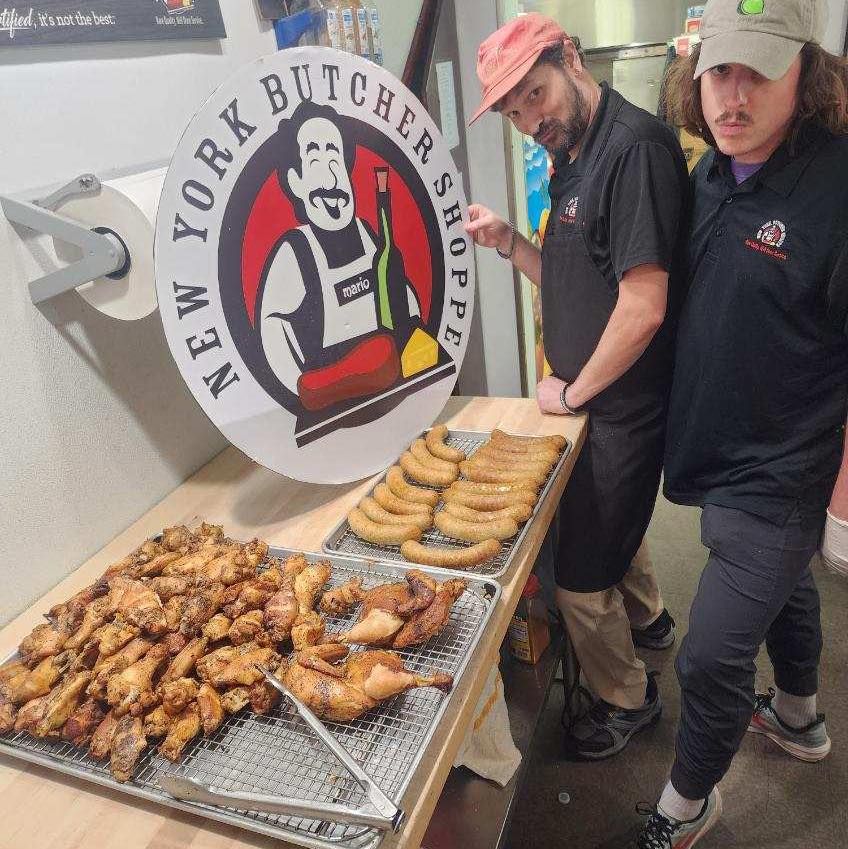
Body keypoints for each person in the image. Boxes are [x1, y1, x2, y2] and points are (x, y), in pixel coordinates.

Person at [634, 0, 848, 844]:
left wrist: (840, 504)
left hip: (786, 467)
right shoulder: (711, 174)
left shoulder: (837, 185)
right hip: (719, 447)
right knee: (783, 585)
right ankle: (798, 715)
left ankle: (686, 807)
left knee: (711, 654)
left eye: (759, 71)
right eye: (720, 71)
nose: (734, 94)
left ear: (809, 70)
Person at [465, 13, 688, 759]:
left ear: (571, 58)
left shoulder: (635, 150)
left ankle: (627, 699)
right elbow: (573, 276)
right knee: (609, 527)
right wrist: (510, 244)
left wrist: (575, 390)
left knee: (578, 578)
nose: (532, 120)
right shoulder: (573, 151)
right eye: (515, 110)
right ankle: (651, 621)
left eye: (535, 95)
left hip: (621, 406)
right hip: (595, 400)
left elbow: (644, 304)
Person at [258, 100, 419, 398]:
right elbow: (273, 325)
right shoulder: (295, 250)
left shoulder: (367, 233)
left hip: (390, 384)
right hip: (332, 397)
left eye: (336, 161)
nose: (331, 179)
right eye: (316, 162)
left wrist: (415, 337)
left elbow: (401, 290)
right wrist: (300, 386)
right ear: (296, 182)